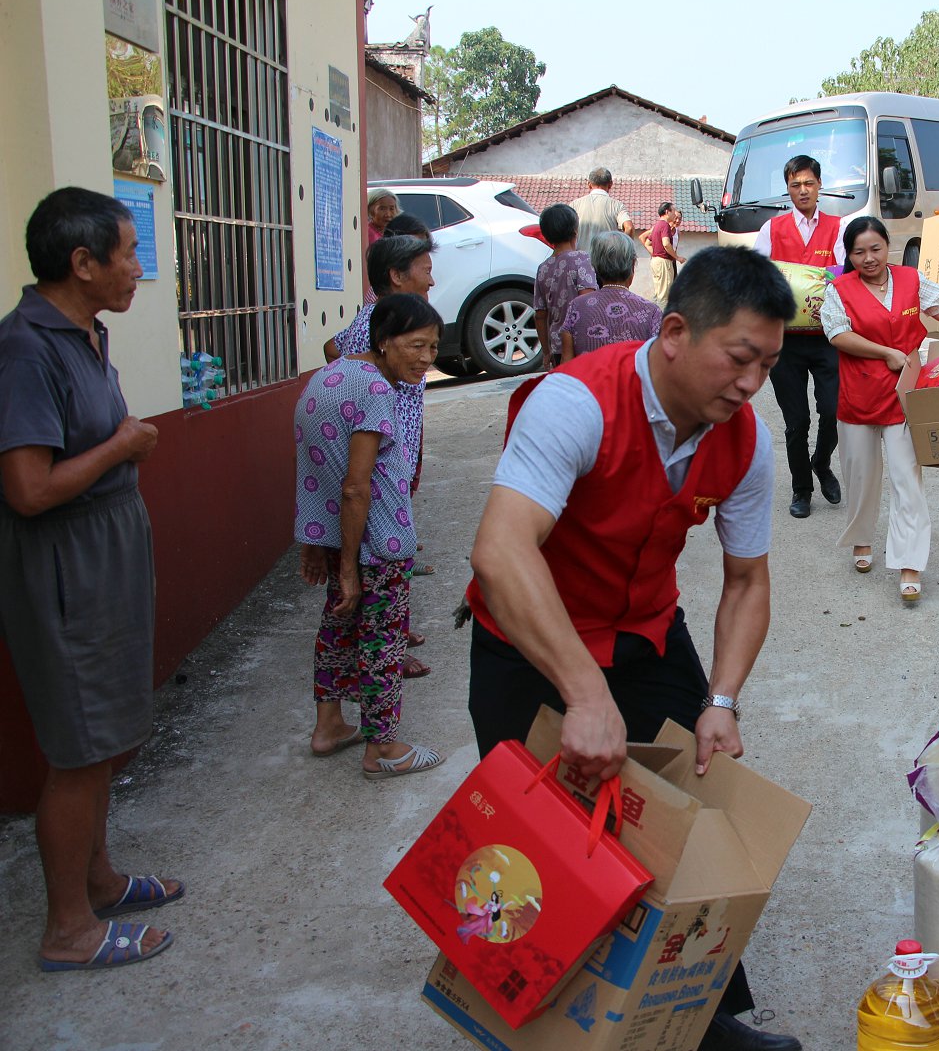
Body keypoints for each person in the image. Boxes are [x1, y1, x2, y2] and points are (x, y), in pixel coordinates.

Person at [464, 246, 803, 1051]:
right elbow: (502, 551)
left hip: (646, 631)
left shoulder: (745, 438)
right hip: (530, 636)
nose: (753, 383)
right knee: (535, 851)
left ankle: (697, 1022)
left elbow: (747, 581)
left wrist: (720, 700)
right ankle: (526, 1019)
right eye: (741, 359)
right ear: (677, 331)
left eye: (769, 364)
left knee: (686, 825)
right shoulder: (574, 402)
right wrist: (585, 695)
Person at [0, 187, 179, 971]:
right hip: (64, 568)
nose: (138, 268)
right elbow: (28, 489)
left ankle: (99, 881)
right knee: (77, 749)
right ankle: (68, 928)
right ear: (82, 263)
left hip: (103, 555)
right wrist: (121, 447)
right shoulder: (26, 349)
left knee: (104, 736)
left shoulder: (82, 334)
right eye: (128, 252)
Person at [295, 292, 447, 780]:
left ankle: (329, 726)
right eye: (415, 345)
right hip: (376, 543)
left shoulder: (326, 378)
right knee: (382, 643)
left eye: (433, 347)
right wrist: (348, 568)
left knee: (337, 628)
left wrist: (319, 545)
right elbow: (355, 486)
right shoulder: (375, 391)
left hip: (342, 539)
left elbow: (315, 470)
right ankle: (383, 749)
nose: (426, 359)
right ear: (383, 341)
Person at [822, 216, 939, 604]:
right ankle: (862, 539)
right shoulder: (840, 289)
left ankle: (910, 563)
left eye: (875, 249)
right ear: (848, 255)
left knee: (907, 479)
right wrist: (886, 352)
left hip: (905, 395)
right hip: (860, 395)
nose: (868, 258)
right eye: (859, 251)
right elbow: (837, 334)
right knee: (861, 476)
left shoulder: (912, 280)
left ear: (888, 246)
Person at [323, 235, 438, 672]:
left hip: (393, 456)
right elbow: (336, 352)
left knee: (382, 562)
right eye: (424, 269)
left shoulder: (395, 320)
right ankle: (385, 648)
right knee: (378, 560)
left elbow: (335, 349)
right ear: (396, 275)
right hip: (378, 464)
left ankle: (389, 634)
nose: (431, 279)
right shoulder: (380, 322)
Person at [752, 154, 843, 518]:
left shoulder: (839, 227)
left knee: (833, 410)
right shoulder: (770, 230)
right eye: (795, 185)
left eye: (808, 183)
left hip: (827, 337)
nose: (802, 190)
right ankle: (801, 488)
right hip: (785, 341)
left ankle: (821, 462)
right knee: (796, 422)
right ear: (787, 188)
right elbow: (757, 277)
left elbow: (844, 275)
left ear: (819, 185)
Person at [560, 232, 664, 361]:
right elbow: (658, 368)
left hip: (587, 381)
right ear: (632, 265)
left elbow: (566, 366)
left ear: (595, 267)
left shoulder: (576, 307)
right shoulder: (652, 312)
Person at [532, 203, 598, 368]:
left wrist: (546, 351)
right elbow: (588, 300)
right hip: (583, 342)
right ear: (575, 231)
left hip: (557, 344)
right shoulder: (582, 259)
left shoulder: (543, 268)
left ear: (546, 236)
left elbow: (540, 314)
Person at [570, 166, 638, 256]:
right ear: (610, 184)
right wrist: (621, 251)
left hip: (580, 262)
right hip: (606, 262)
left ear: (589, 184)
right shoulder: (616, 205)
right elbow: (629, 228)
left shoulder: (575, 205)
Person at [363, 188, 400, 305]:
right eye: (382, 209)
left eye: (391, 208)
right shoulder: (368, 233)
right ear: (370, 210)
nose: (388, 214)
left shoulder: (391, 233)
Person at [645, 202, 685, 308]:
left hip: (656, 261)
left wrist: (655, 254)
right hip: (664, 262)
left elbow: (647, 243)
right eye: (673, 211)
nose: (674, 215)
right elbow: (666, 243)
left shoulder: (657, 225)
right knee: (664, 296)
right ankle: (662, 322)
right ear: (667, 212)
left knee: (659, 294)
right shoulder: (665, 225)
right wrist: (677, 257)